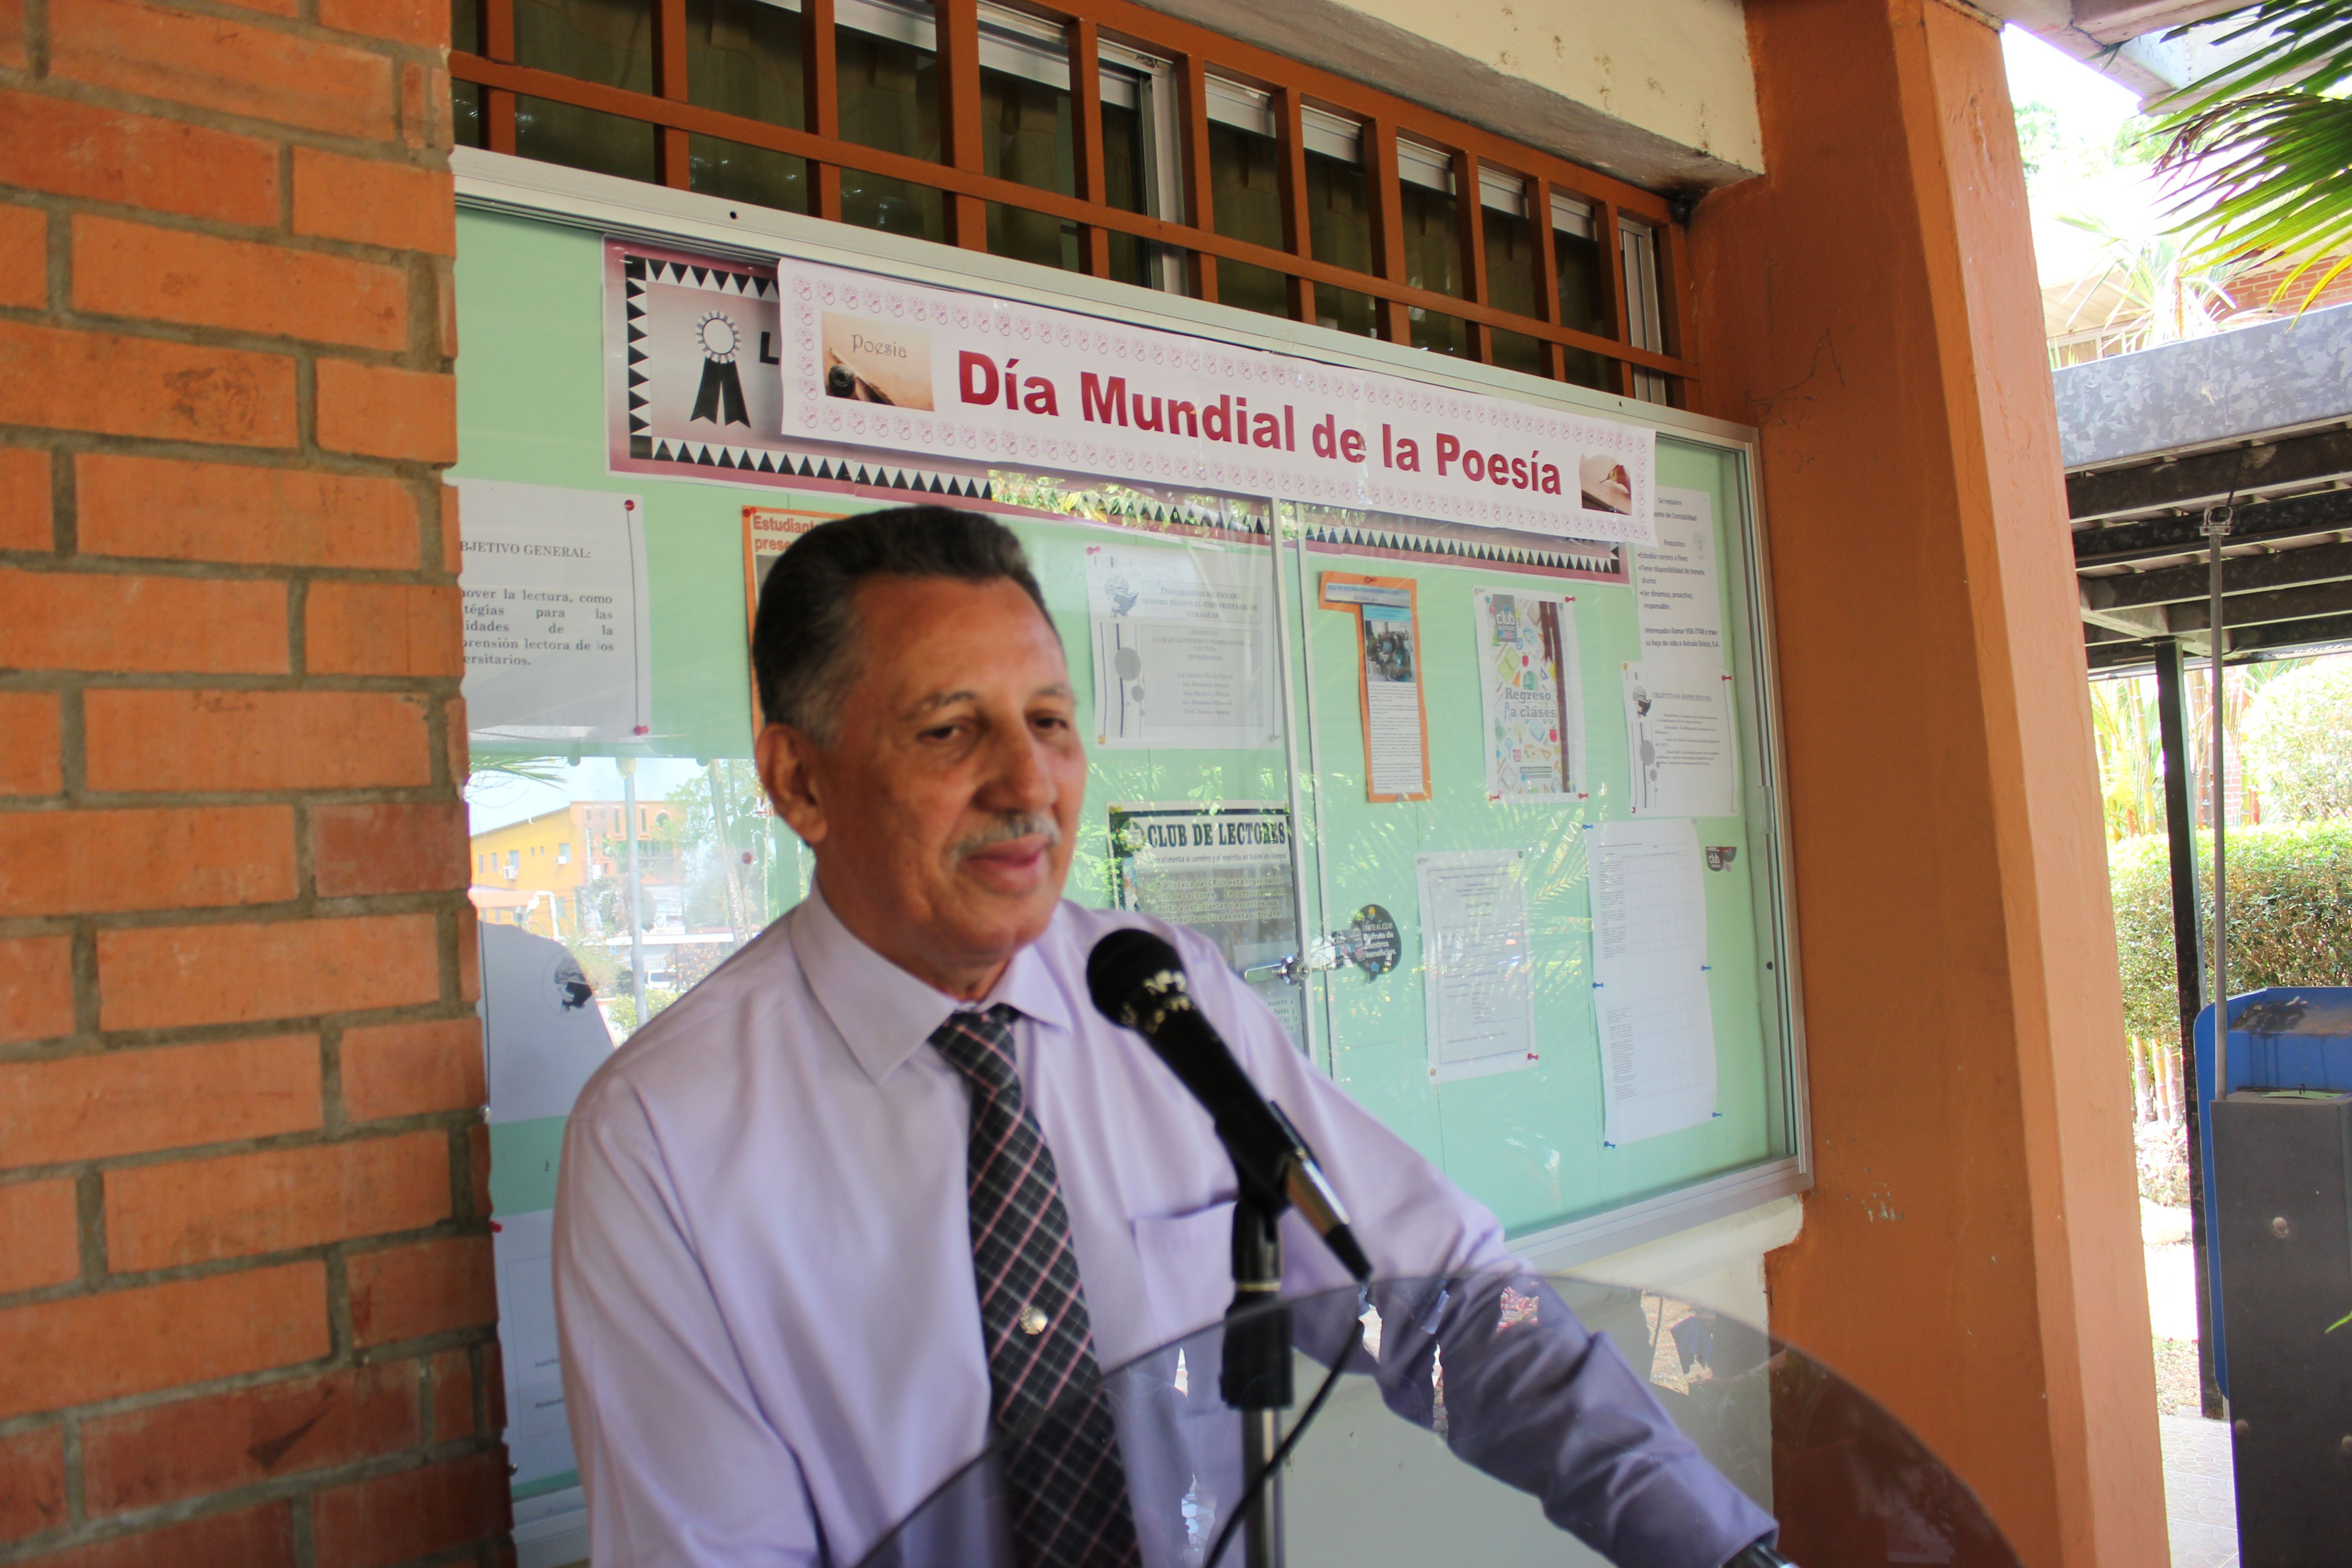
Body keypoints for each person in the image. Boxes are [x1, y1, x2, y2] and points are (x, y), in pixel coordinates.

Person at [552, 507, 1786, 1568]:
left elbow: (1442, 1306)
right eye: (949, 730)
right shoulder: (661, 1138)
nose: (1027, 784)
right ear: (799, 783)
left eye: (1049, 720)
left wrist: (1716, 1545)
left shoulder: (1162, 1001)